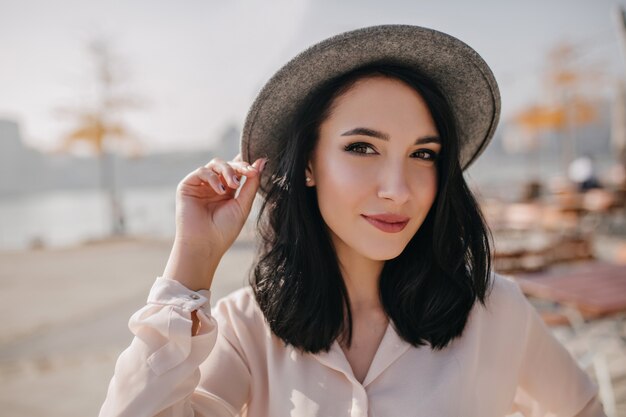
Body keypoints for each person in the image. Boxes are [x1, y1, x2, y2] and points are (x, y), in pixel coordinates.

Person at [99, 25, 605, 416]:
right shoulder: (245, 329)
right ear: (309, 165)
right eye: (362, 147)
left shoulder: (494, 311)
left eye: (424, 154)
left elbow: (582, 407)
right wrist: (192, 261)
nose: (398, 189)